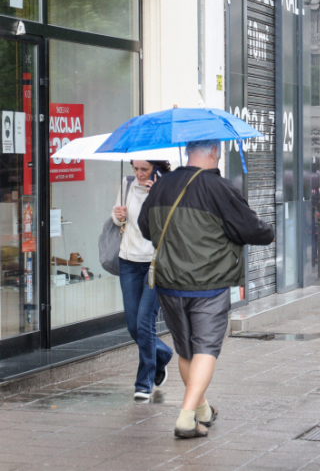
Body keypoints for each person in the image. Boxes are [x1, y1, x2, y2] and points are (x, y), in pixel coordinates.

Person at [139, 140, 274, 439]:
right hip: (208, 284)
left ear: (189, 151)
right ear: (214, 152)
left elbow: (145, 227)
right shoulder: (219, 187)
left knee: (185, 348)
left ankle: (201, 409)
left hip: (168, 282)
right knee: (206, 348)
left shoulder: (161, 185)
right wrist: (268, 230)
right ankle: (186, 417)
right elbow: (250, 230)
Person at [112, 160, 174, 401]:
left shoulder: (166, 188)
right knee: (132, 325)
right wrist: (118, 216)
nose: (138, 174)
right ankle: (163, 353)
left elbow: (170, 226)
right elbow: (118, 221)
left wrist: (156, 197)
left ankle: (144, 383)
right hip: (128, 262)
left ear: (156, 169)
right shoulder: (127, 184)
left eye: (144, 170)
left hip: (154, 262)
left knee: (145, 322)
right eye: (135, 168)